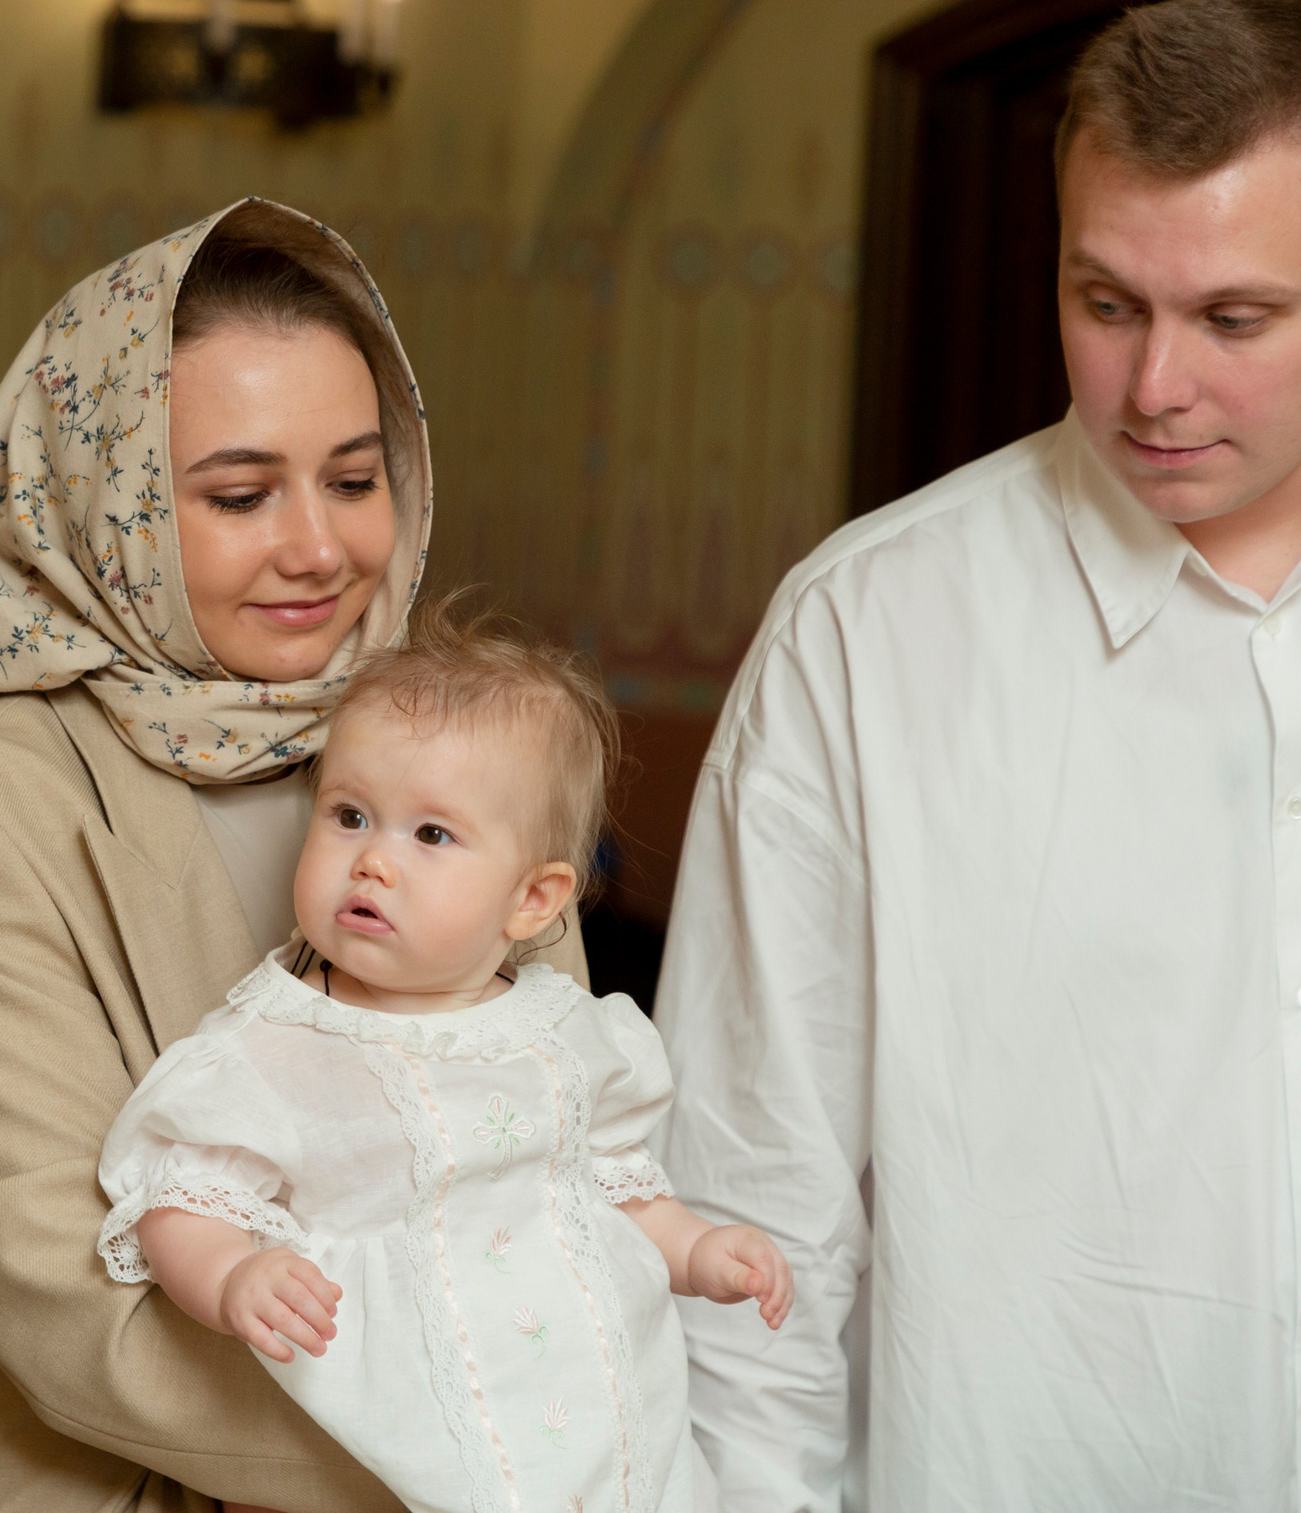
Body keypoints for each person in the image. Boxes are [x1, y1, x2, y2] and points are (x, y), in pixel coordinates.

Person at [654, 0, 1301, 1510]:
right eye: (1106, 303)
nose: (1156, 384)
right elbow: (745, 1220)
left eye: (1235, 317)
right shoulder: (864, 634)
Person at [0, 198, 591, 1513]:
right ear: (106, 505)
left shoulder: (470, 765)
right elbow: (82, 1323)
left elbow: (554, 1177)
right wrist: (510, 1435)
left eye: (355, 479)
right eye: (243, 493)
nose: (320, 547)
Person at [97, 599, 789, 1513]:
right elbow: (184, 1195)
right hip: (420, 1441)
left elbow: (617, 1188)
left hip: (610, 1418)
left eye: (430, 834)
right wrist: (230, 1274)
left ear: (533, 900)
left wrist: (701, 1250)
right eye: (349, 815)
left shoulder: (567, 1031)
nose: (373, 861)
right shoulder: (272, 1044)